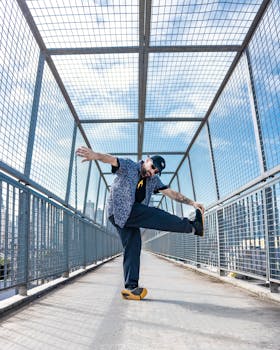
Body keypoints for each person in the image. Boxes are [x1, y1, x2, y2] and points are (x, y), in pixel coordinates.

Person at [76, 146, 205, 300]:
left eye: (156, 172)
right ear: (147, 159)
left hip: (124, 217)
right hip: (120, 210)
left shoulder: (153, 180)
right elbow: (111, 159)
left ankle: (131, 288)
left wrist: (192, 203)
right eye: (152, 168)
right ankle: (192, 227)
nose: (152, 172)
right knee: (155, 215)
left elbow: (171, 193)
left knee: (133, 244)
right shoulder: (129, 166)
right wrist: (95, 155)